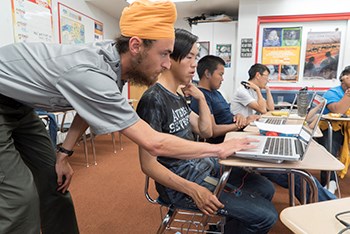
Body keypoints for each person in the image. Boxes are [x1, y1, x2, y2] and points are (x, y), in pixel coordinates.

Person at [0, 1, 251, 233]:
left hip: (21, 106)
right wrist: (218, 150)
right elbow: (154, 142)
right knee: (19, 199)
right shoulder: (93, 74)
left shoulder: (112, 64)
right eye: (164, 54)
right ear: (135, 46)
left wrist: (64, 155)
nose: (167, 64)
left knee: (54, 183)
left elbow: (88, 106)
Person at [137, 29, 277, 233]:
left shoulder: (177, 95)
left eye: (196, 57)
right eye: (189, 57)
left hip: (203, 168)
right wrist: (194, 190)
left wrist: (201, 98)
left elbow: (205, 130)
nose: (195, 64)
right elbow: (148, 166)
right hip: (181, 186)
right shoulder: (153, 99)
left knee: (266, 188)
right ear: (169, 58)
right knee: (266, 216)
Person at [191, 55, 336, 202]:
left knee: (289, 159)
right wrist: (240, 123)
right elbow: (212, 131)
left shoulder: (216, 93)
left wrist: (239, 116)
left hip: (240, 137)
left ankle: (324, 201)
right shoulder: (201, 97)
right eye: (220, 74)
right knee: (294, 174)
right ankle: (328, 204)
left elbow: (228, 115)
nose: (222, 79)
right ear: (208, 73)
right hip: (231, 145)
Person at [317, 67, 350, 186]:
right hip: (331, 128)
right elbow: (338, 111)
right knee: (329, 149)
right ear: (344, 78)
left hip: (348, 129)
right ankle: (329, 182)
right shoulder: (332, 92)